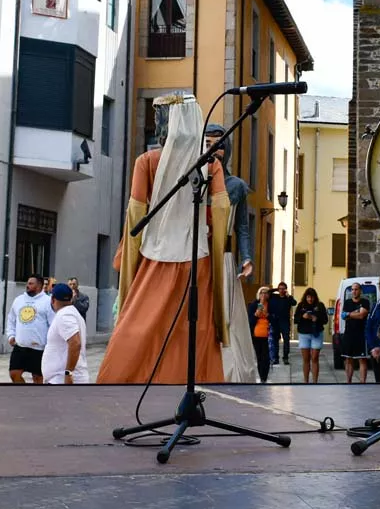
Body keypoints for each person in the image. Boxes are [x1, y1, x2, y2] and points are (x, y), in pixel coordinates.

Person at [97, 95, 231, 384]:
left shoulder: (146, 161)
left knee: (138, 326)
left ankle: (124, 381)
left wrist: (127, 255)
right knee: (194, 329)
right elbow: (221, 210)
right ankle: (188, 382)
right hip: (199, 260)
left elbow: (135, 214)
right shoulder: (212, 165)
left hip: (155, 258)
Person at [205, 123, 259, 383]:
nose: (214, 150)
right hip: (196, 258)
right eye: (208, 144)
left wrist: (247, 257)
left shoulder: (236, 186)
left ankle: (226, 372)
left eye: (218, 145)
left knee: (224, 317)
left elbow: (242, 228)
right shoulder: (193, 183)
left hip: (223, 259)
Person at [7, 276, 52, 384]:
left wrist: (50, 344)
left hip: (39, 349)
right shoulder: (18, 300)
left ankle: (36, 399)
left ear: (40, 285)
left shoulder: (48, 301)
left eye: (31, 283)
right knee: (14, 374)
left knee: (38, 378)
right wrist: (11, 335)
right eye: (28, 283)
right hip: (20, 346)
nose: (27, 285)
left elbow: (53, 324)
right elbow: (11, 319)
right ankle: (24, 394)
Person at [43, 283, 89, 384]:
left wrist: (68, 373)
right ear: (71, 299)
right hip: (60, 379)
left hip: (62, 380)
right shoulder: (71, 312)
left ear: (52, 299)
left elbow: (75, 343)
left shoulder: (65, 315)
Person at [294, 288, 328, 383]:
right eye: (308, 297)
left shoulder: (320, 305)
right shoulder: (301, 306)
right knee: (306, 359)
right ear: (305, 297)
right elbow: (295, 320)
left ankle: (315, 382)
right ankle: (306, 381)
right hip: (304, 334)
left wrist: (316, 318)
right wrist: (303, 316)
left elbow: (325, 320)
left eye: (312, 297)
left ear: (315, 297)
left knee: (315, 358)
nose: (310, 299)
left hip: (316, 334)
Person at [340, 282, 370, 383]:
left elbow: (362, 315)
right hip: (348, 334)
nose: (354, 291)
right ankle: (348, 382)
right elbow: (343, 316)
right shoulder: (347, 302)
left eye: (356, 289)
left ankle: (362, 382)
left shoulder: (365, 302)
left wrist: (349, 314)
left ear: (360, 291)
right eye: (352, 289)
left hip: (361, 334)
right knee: (348, 359)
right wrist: (355, 313)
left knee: (362, 359)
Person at [268, 282, 296, 365]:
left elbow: (294, 303)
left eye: (283, 289)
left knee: (286, 340)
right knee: (275, 341)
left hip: (285, 322)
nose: (281, 290)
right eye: (280, 288)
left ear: (285, 290)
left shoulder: (288, 298)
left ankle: (286, 358)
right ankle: (276, 358)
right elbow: (268, 292)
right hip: (275, 322)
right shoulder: (274, 296)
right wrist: (276, 289)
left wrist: (288, 295)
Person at [248, 286, 273, 383]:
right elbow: (251, 319)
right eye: (262, 293)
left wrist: (267, 315)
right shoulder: (254, 304)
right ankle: (262, 377)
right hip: (256, 334)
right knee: (259, 357)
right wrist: (260, 306)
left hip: (268, 335)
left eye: (266, 293)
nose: (264, 294)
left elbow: (274, 319)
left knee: (266, 357)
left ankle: (264, 377)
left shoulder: (271, 305)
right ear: (259, 294)